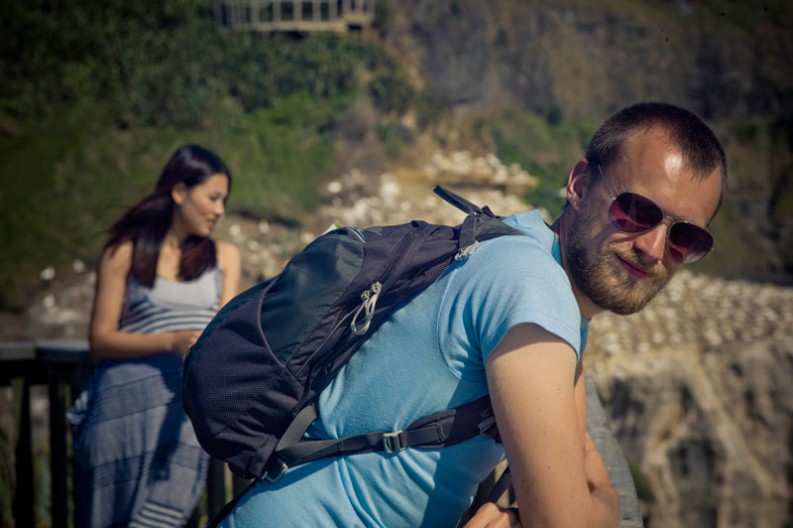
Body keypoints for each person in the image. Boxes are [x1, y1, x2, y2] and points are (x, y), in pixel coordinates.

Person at [218, 102, 726, 528]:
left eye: (686, 238)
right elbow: (566, 517)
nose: (655, 247)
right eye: (637, 210)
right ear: (578, 183)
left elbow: (571, 466)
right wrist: (609, 509)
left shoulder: (519, 248)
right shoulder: (532, 288)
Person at [68, 145, 241, 528]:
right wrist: (172, 341)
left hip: (183, 415)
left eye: (224, 200)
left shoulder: (225, 256)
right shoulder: (123, 252)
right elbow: (100, 340)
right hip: (120, 411)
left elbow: (225, 339)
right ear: (179, 192)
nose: (219, 211)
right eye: (213, 198)